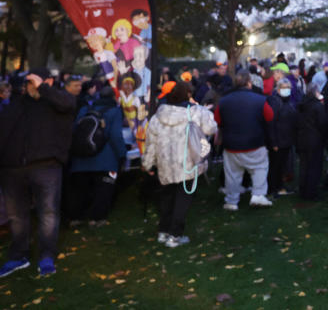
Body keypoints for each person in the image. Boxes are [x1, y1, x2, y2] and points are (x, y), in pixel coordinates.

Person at [0, 69, 77, 277]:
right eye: (28, 83)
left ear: (48, 82)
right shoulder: (18, 104)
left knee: (48, 213)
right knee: (17, 216)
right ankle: (18, 256)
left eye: (34, 83)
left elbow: (68, 103)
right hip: (13, 168)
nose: (30, 87)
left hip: (46, 166)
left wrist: (43, 88)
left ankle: (46, 256)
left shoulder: (58, 103)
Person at [141, 81, 217, 247]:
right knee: (183, 200)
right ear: (187, 94)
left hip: (165, 163)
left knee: (166, 197)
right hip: (187, 162)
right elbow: (211, 129)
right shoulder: (196, 113)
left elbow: (151, 143)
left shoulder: (157, 117)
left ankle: (163, 230)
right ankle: (175, 235)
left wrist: (148, 164)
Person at [66, 86, 126, 227]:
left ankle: (76, 217)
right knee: (103, 190)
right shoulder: (115, 111)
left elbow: (75, 130)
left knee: (80, 190)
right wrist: (122, 155)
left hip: (80, 157)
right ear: (114, 97)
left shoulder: (85, 110)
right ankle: (97, 218)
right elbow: (115, 135)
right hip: (106, 158)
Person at [215, 72, 275, 210]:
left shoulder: (223, 101)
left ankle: (231, 201)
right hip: (255, 143)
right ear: (249, 83)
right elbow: (270, 117)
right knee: (260, 168)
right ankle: (258, 194)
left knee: (232, 175)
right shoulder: (261, 100)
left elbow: (217, 121)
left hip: (231, 145)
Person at [295, 83, 328, 201]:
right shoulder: (318, 106)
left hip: (302, 139)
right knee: (314, 167)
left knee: (304, 166)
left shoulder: (301, 105)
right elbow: (322, 124)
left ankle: (303, 191)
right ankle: (311, 192)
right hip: (315, 140)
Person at [266, 79, 298, 197]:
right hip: (278, 141)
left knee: (282, 166)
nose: (287, 90)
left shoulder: (287, 101)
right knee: (275, 166)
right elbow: (271, 123)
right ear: (278, 89)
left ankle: (279, 186)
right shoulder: (275, 102)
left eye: (288, 88)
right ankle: (272, 189)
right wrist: (273, 142)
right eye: (284, 88)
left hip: (286, 140)